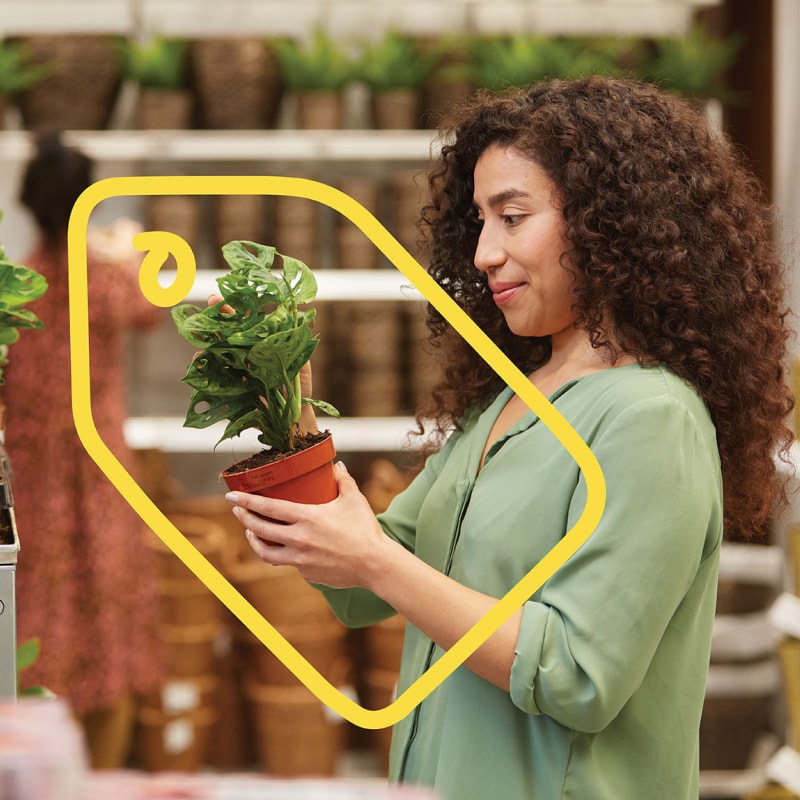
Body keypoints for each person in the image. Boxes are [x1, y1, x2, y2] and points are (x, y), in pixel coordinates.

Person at [224, 77, 795, 799]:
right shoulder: (508, 401)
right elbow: (363, 583)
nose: (484, 253)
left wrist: (373, 562)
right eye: (479, 222)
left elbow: (578, 676)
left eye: (513, 217)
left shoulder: (653, 418)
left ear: (608, 223)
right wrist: (287, 411)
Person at [3, 131, 165, 768]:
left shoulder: (17, 290)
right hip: (101, 472)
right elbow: (151, 304)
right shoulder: (104, 281)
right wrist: (127, 245)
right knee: (110, 615)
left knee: (38, 617)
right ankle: (97, 775)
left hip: (33, 478)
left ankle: (35, 764)